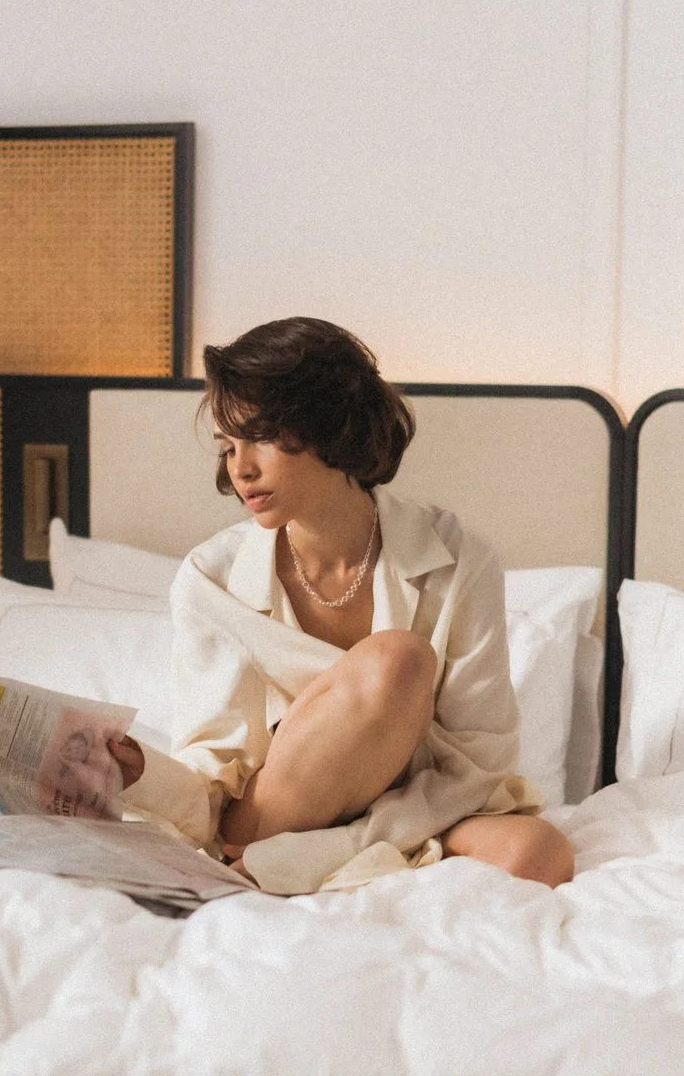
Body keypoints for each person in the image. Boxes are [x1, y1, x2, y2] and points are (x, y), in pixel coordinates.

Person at [114, 317, 575, 894]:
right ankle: (266, 862)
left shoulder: (461, 558)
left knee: (540, 855)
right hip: (266, 821)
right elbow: (217, 770)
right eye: (229, 445)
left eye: (258, 436)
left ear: (328, 422)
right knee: (397, 662)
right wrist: (141, 773)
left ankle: (306, 868)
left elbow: (479, 763)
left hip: (419, 806)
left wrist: (344, 842)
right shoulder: (211, 579)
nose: (241, 467)